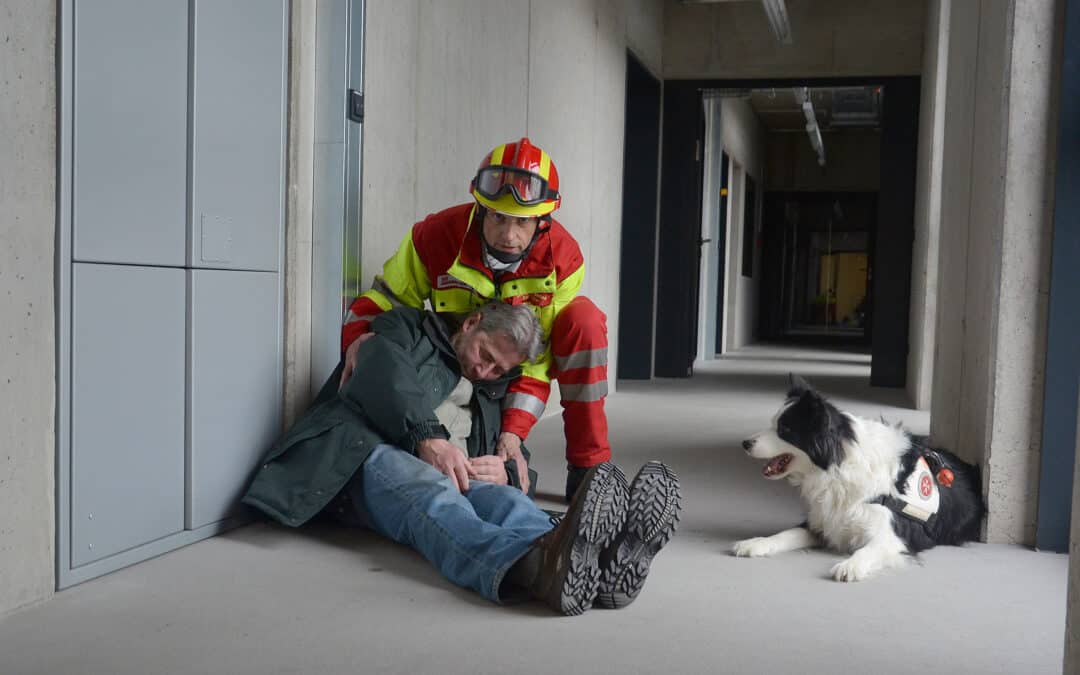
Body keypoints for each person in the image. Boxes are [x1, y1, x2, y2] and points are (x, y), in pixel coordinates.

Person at [243, 302, 682, 615]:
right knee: (435, 493)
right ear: (472, 323)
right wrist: (428, 438)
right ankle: (532, 567)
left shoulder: (492, 388)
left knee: (506, 501)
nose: (485, 372)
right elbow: (378, 369)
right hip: (360, 455)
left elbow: (512, 454)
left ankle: (596, 561)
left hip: (447, 468)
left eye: (499, 370)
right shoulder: (407, 327)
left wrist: (509, 471)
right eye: (484, 355)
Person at [339, 137, 611, 502]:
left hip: (510, 375)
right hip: (450, 360)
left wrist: (513, 434)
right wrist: (359, 336)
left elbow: (536, 363)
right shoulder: (437, 237)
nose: (509, 235)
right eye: (498, 217)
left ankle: (588, 469)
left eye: (523, 223)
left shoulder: (563, 260)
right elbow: (387, 297)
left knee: (585, 322)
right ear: (481, 209)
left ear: (543, 222)